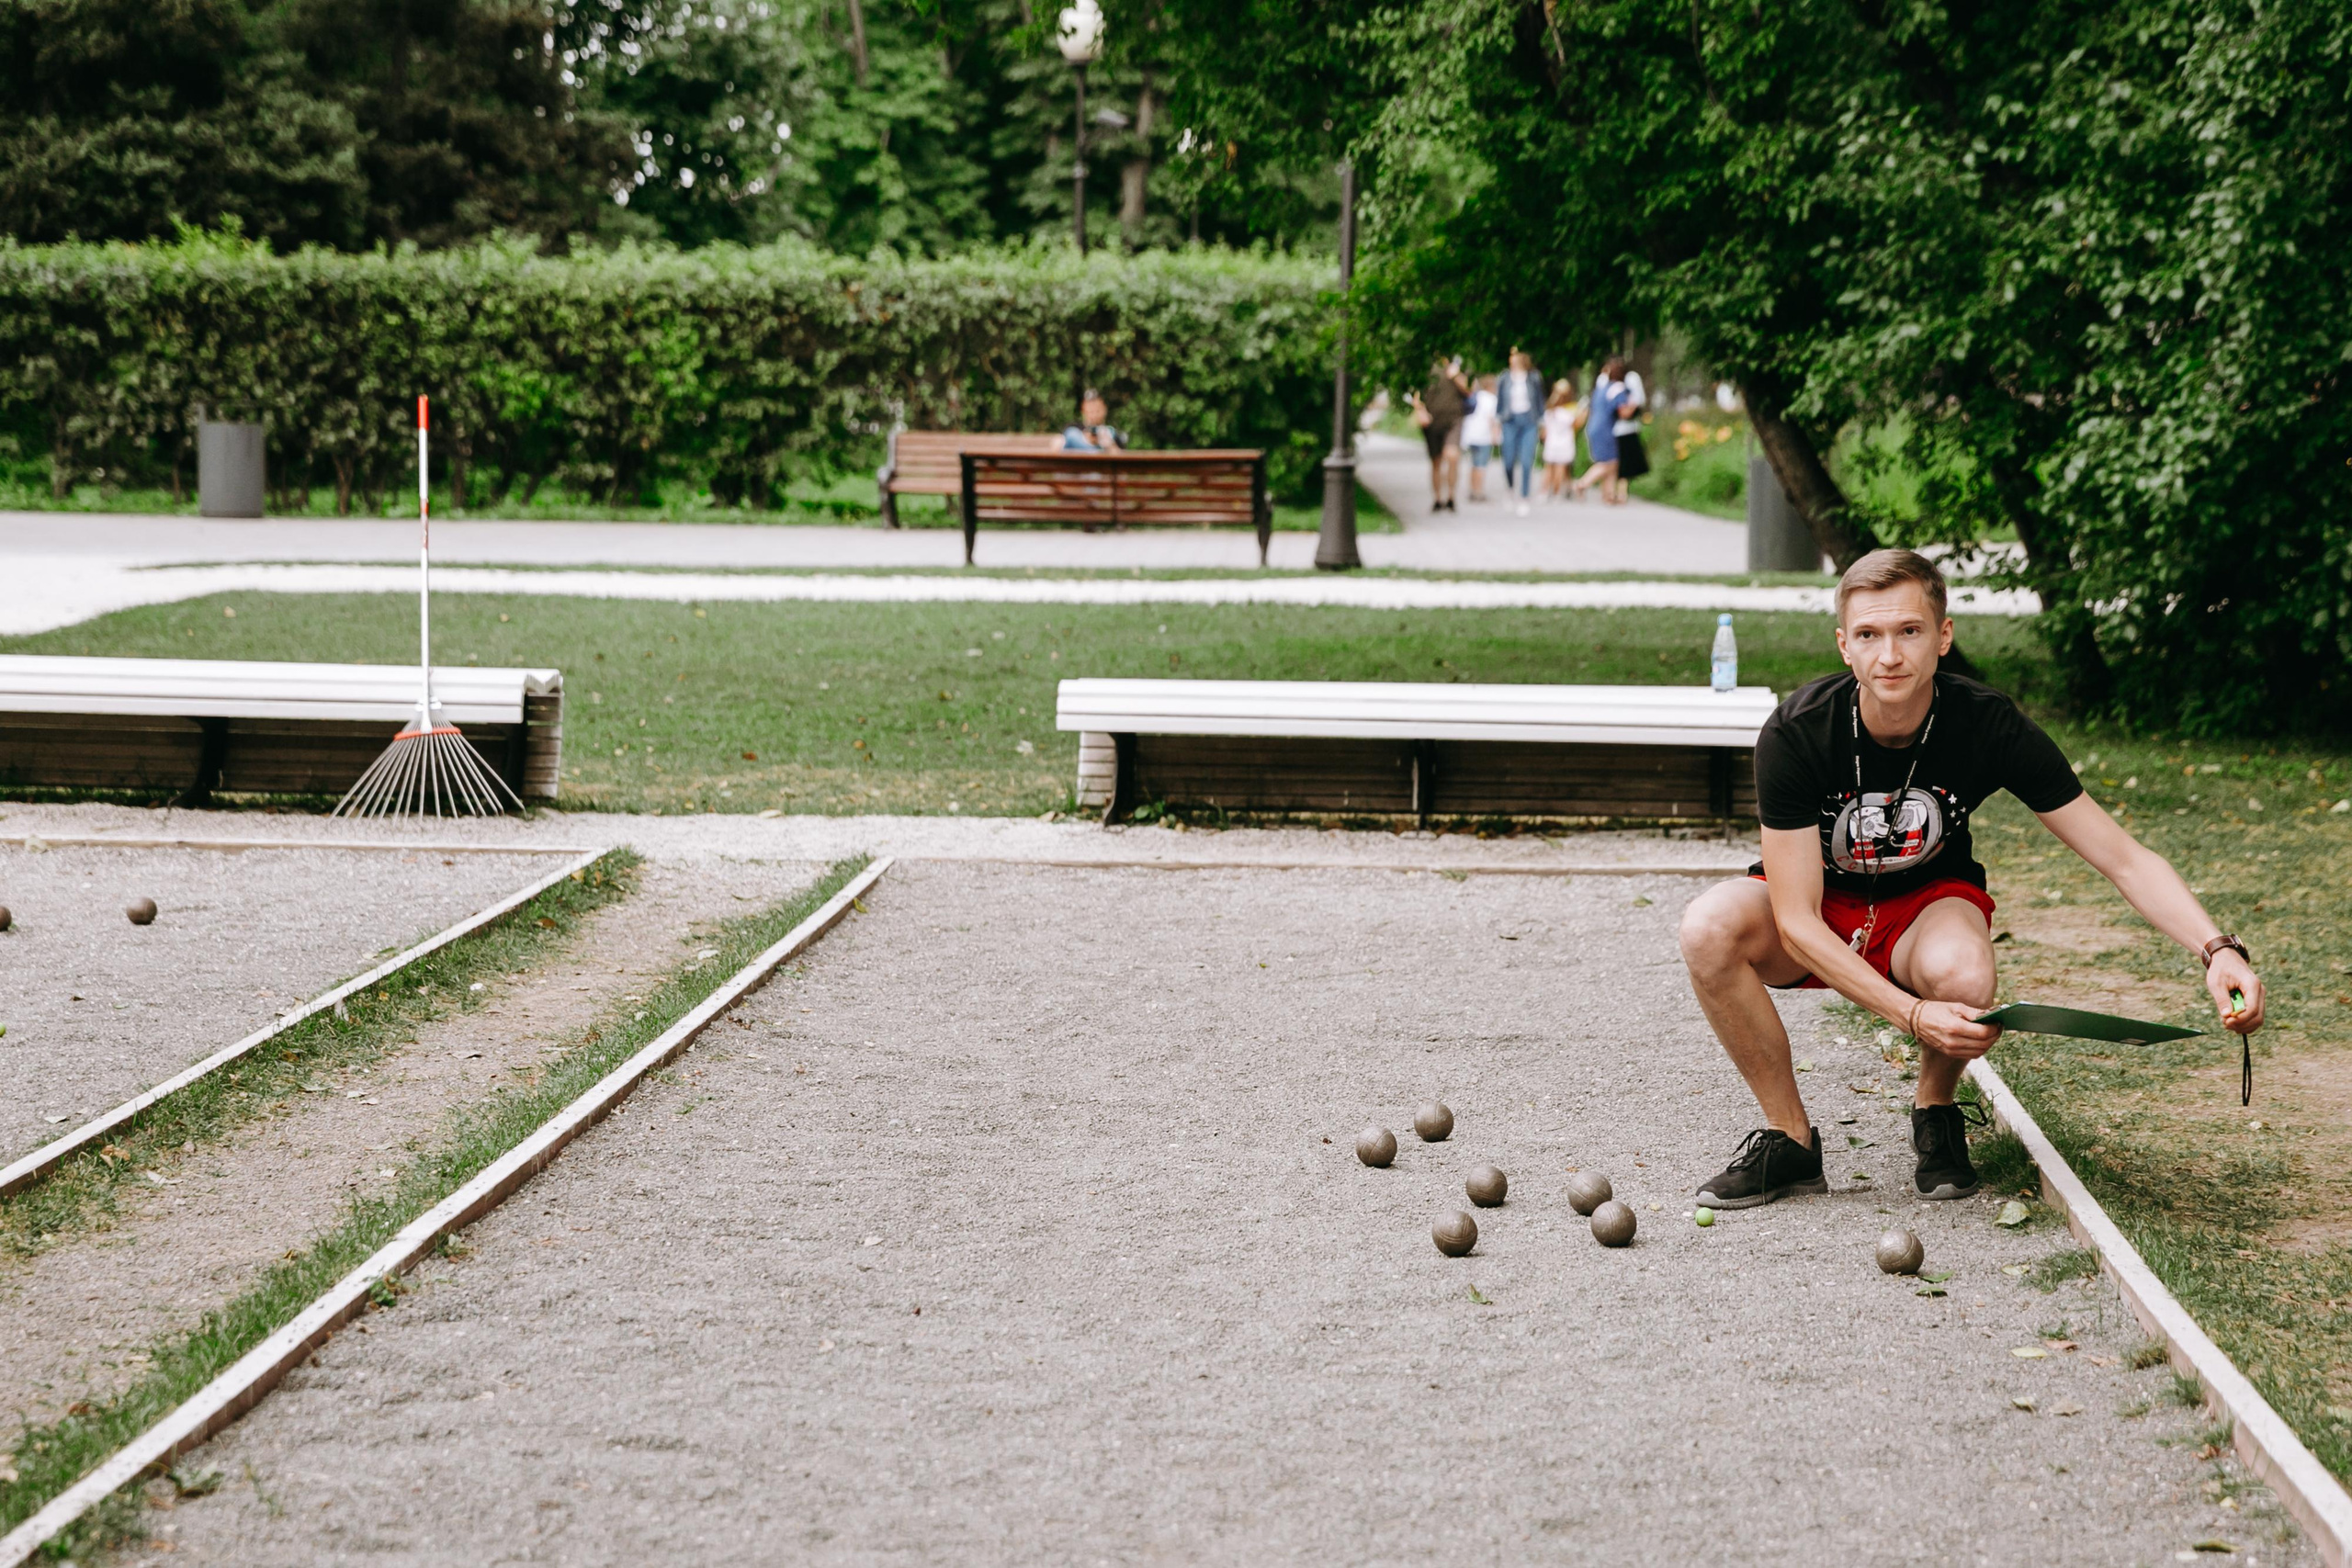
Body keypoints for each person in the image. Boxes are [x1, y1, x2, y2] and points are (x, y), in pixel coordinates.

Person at [1678, 548, 2265, 1209]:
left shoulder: (1988, 723)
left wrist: (2217, 950)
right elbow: (1795, 919)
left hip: (1923, 906)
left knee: (1965, 972)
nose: (1889, 655)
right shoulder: (1797, 732)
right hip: (1820, 905)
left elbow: (2122, 857)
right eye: (1869, 635)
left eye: (1909, 631)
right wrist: (1911, 1013)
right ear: (1845, 646)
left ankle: (1936, 1111)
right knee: (1708, 927)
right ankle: (1789, 1139)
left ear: (1943, 635)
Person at [1411, 355, 1468, 512]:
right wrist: (1420, 411)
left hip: (1454, 419)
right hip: (1431, 421)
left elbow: (1469, 391)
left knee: (1452, 455)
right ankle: (1438, 499)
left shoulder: (1459, 363)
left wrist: (1456, 375)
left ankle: (1451, 496)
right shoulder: (1425, 365)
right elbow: (1415, 392)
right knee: (1436, 461)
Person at [1570, 357, 1626, 503]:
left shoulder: (1601, 388)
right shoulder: (1618, 388)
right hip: (1606, 428)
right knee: (1608, 462)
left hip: (1594, 426)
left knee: (1612, 462)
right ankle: (1581, 484)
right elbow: (1623, 412)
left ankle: (1608, 495)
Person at [1498, 349, 1545, 514]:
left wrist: (1542, 423)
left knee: (1526, 461)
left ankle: (1524, 497)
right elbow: (1500, 402)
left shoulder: (1533, 377)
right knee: (1508, 460)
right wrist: (1497, 422)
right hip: (1510, 421)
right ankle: (1510, 488)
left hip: (1529, 421)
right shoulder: (1504, 377)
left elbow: (1540, 401)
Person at [1539, 379, 1580, 502]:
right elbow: (1576, 424)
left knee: (1548, 469)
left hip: (1551, 443)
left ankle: (1544, 492)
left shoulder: (1549, 412)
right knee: (1560, 470)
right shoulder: (1567, 413)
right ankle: (1556, 493)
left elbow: (1543, 433)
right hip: (1565, 444)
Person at [1611, 361, 1649, 493]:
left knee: (1623, 464)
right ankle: (1617, 492)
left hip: (1624, 429)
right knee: (1619, 463)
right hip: (1619, 429)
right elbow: (1625, 412)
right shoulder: (1616, 387)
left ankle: (1619, 492)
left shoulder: (1627, 381)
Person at [1462, 375, 1499, 502]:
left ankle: (1472, 490)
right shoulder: (1491, 399)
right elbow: (1491, 419)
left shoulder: (1474, 396)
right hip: (1483, 436)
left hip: (1470, 435)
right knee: (1481, 465)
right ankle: (1479, 491)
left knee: (1473, 464)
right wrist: (1495, 435)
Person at [1061, 389, 1125, 451]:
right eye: (1091, 411)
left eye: (1097, 411)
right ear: (1083, 411)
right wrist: (1087, 440)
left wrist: (1109, 445)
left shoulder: (1111, 433)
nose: (1094, 415)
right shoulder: (1073, 429)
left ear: (1104, 410)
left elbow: (1122, 457)